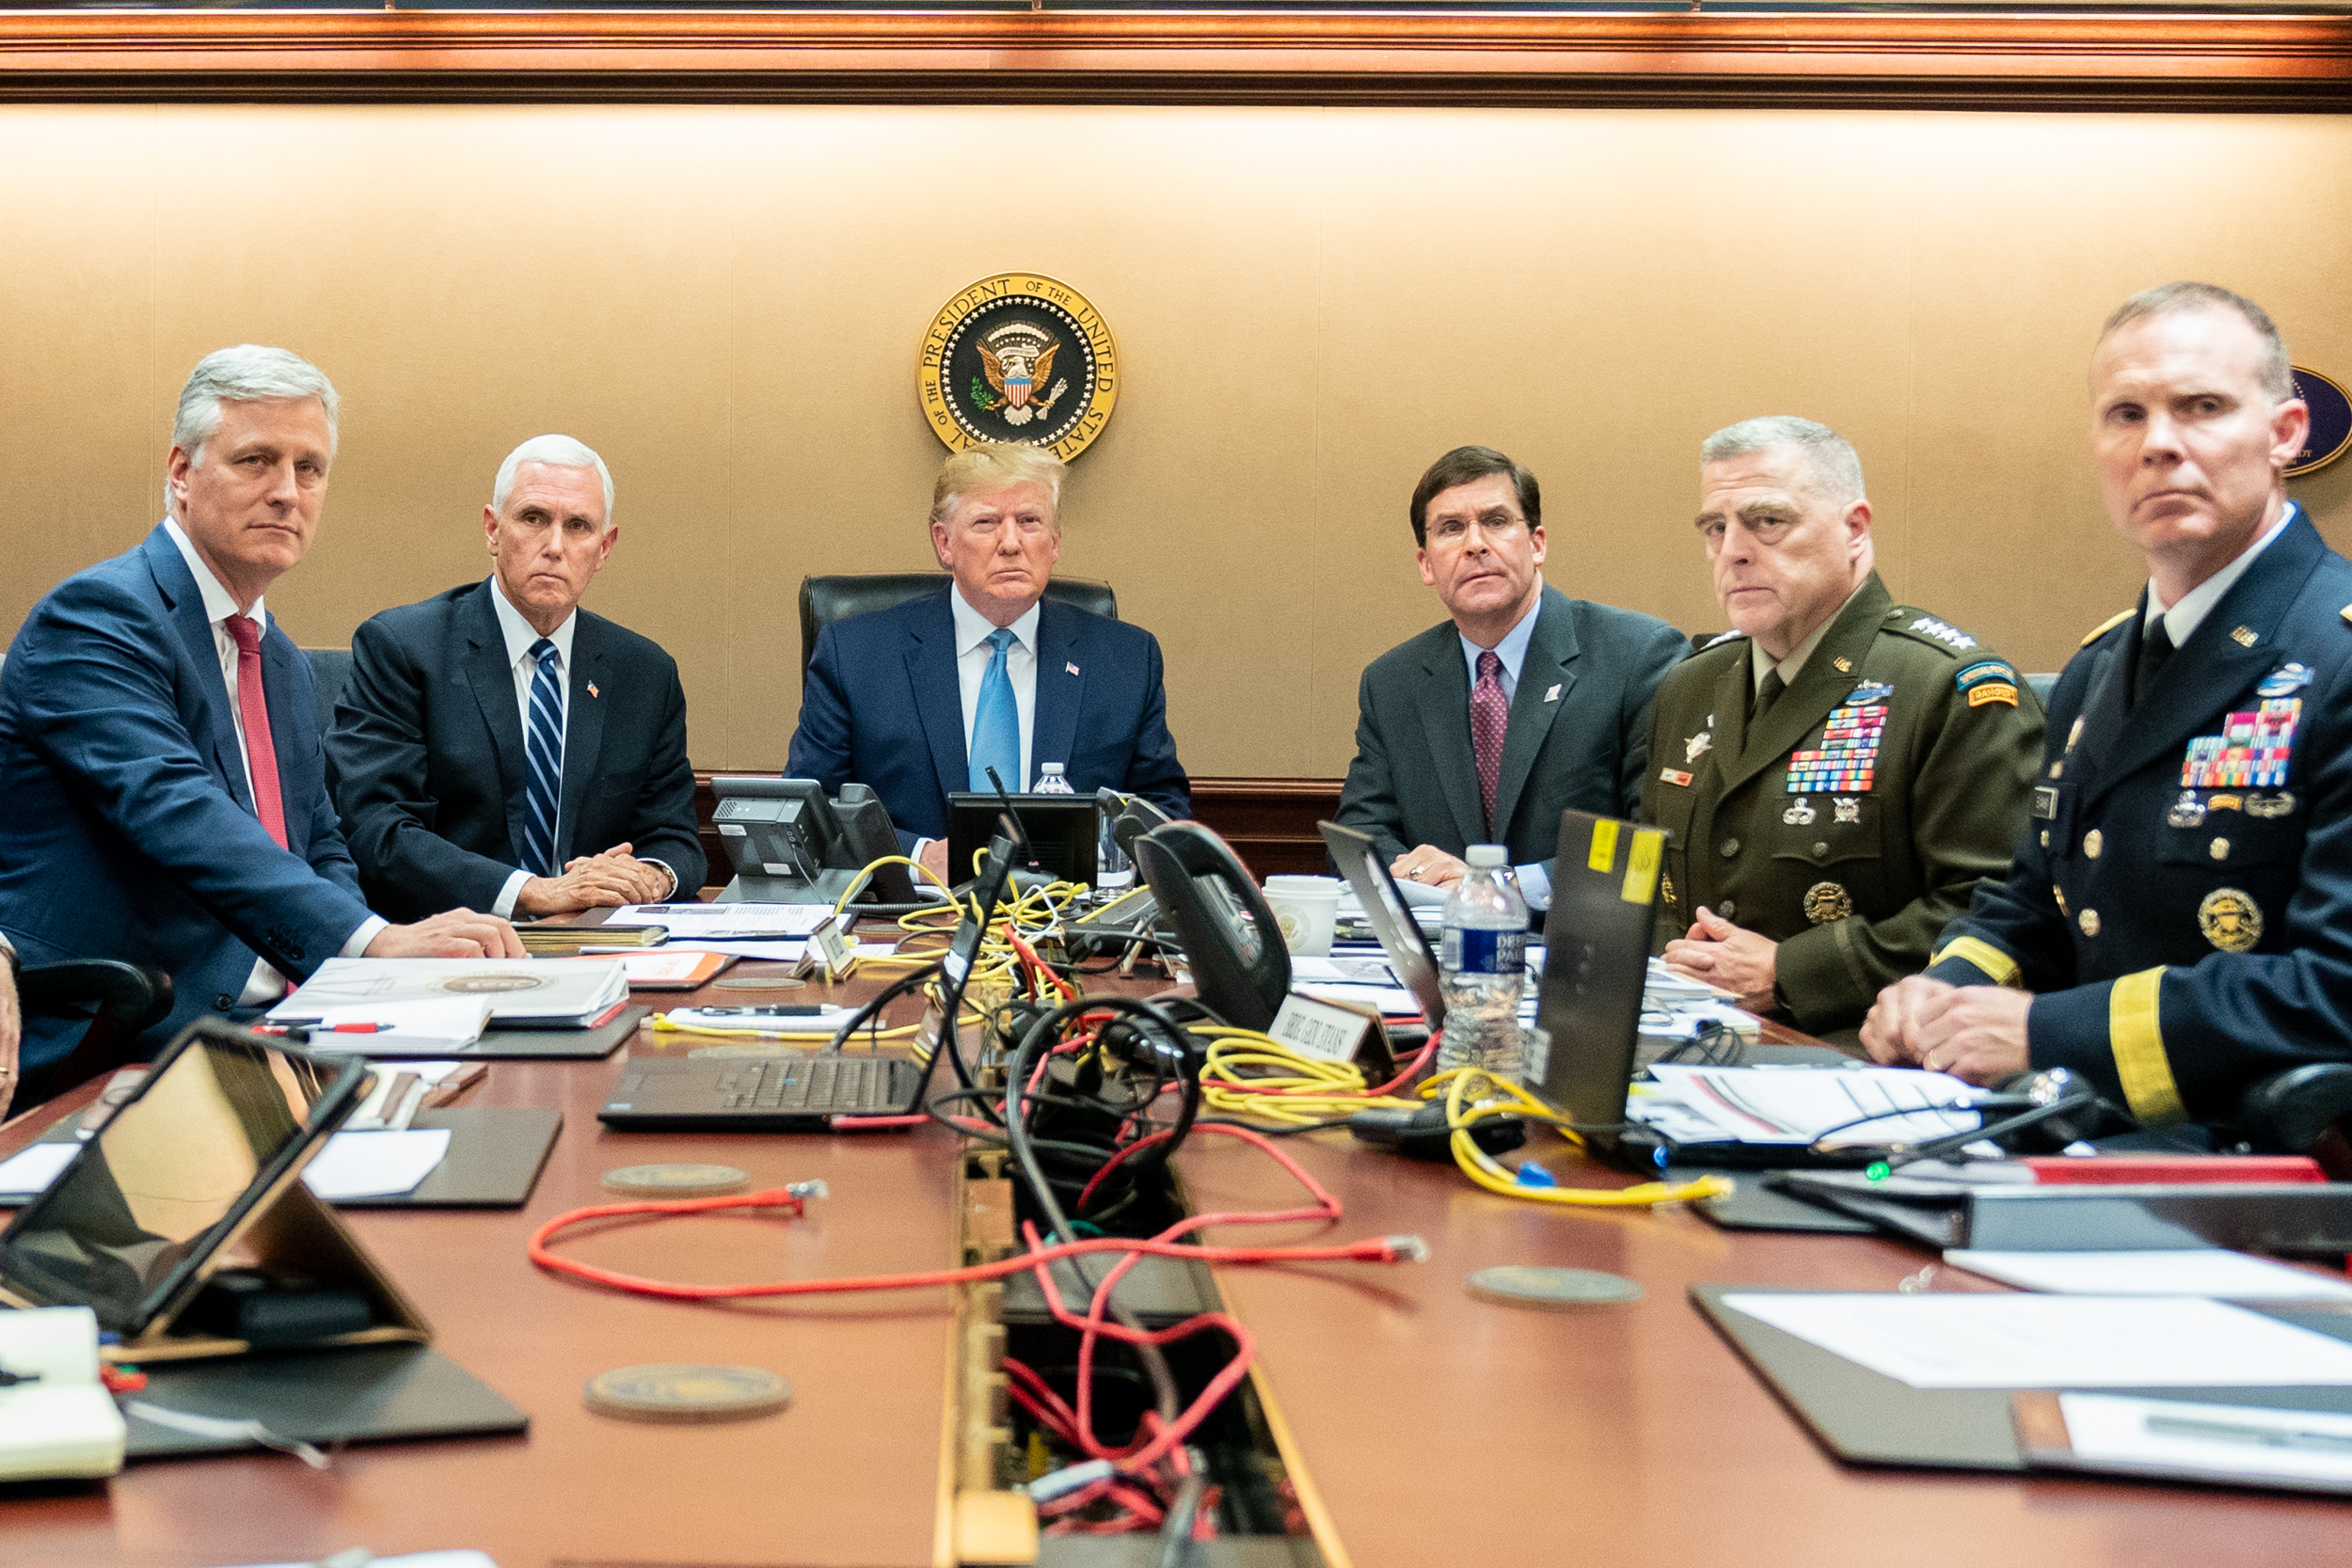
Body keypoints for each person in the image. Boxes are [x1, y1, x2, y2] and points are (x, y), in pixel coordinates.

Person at [1866, 283, 2352, 1129]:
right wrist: (1941, 993)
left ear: (2285, 433)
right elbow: (2031, 905)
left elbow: (2336, 986)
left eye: (2201, 406)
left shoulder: (2337, 652)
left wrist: (2049, 1031)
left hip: (2267, 1174)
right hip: (2080, 1133)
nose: (2160, 444)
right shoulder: (2098, 671)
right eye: (2126, 414)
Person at [0, 346, 521, 1104]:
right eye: (256, 461)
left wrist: (356, 976)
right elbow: (180, 813)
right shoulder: (100, 618)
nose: (287, 492)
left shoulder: (276, 655)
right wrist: (370, 941)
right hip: (122, 1040)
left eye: (309, 469)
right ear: (180, 472)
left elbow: (320, 842)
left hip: (279, 1027)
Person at [1643, 418, 2043, 1038]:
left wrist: (1790, 970)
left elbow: (1997, 908)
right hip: (1688, 1039)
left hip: (1860, 1051)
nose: (1733, 551)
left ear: (1855, 529)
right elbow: (1648, 872)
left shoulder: (1947, 687)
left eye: (1768, 521)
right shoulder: (1690, 684)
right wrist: (1675, 956)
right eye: (1716, 529)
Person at [327, 435, 704, 922]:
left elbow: (674, 836)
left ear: (604, 547)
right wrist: (531, 892)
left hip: (594, 945)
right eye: (533, 518)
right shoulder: (404, 648)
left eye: (578, 527)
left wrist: (647, 876)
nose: (554, 546)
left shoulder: (645, 674)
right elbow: (376, 830)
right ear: (492, 529)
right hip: (449, 941)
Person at [786, 442, 1190, 884]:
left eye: (1030, 522)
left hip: (1070, 927)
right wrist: (918, 857)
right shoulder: (857, 655)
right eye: (987, 523)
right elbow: (812, 810)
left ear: (1055, 542)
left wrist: (1107, 858)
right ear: (944, 543)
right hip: (911, 922)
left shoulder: (1126, 660)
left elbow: (1161, 810)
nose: (1012, 543)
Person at [1333, 445, 1686, 908]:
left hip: (1578, 950)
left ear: (1537, 544)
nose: (1475, 544)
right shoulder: (1393, 682)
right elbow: (1363, 832)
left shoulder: (1637, 655)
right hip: (1440, 949)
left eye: (1496, 522)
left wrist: (1497, 888)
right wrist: (1426, 884)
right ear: (1425, 564)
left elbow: (1657, 840)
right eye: (1451, 529)